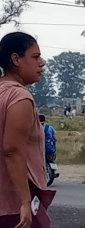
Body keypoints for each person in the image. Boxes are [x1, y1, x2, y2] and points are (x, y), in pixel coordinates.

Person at [0, 32, 55, 227]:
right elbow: (12, 150)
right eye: (35, 57)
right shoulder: (19, 97)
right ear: (15, 59)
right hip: (14, 204)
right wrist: (24, 201)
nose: (42, 62)